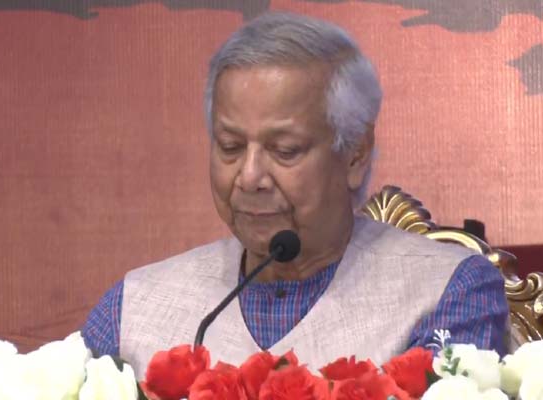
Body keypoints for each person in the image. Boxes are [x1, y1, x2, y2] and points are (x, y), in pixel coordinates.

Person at [82, 12, 508, 377]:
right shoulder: (133, 307)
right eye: (230, 146)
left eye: (284, 150)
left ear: (355, 153)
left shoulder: (445, 291)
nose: (250, 177)